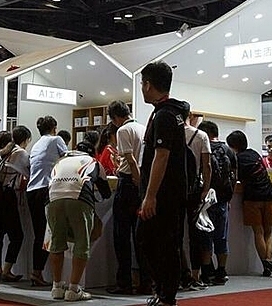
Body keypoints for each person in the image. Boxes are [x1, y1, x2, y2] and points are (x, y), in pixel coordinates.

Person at [136, 61, 189, 306]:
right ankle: (165, 293)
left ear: (148, 85)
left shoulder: (165, 115)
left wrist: (150, 195)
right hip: (170, 192)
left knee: (154, 242)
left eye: (142, 84)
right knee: (161, 242)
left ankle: (166, 295)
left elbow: (162, 156)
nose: (142, 88)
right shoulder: (171, 112)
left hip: (164, 194)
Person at [48, 138, 112, 301]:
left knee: (57, 243)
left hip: (54, 199)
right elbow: (106, 192)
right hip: (79, 199)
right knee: (82, 243)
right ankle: (74, 289)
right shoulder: (93, 162)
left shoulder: (60, 161)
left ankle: (57, 286)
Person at [106, 100, 151, 296]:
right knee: (140, 236)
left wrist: (137, 180)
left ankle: (124, 282)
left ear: (115, 117)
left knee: (121, 236)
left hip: (128, 183)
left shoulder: (123, 130)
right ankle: (146, 281)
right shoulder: (142, 128)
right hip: (140, 184)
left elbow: (131, 160)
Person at [226, 130, 272, 278]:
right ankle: (269, 261)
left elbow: (235, 180)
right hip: (269, 194)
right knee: (269, 231)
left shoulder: (236, 159)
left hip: (252, 197)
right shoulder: (255, 154)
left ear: (233, 146)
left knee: (258, 231)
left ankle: (265, 264)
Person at [0, 125, 32, 283]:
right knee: (17, 236)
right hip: (7, 196)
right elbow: (29, 173)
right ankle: (7, 270)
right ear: (25, 139)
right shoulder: (20, 153)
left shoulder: (2, 152)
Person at [27, 115, 68, 286]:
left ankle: (36, 271)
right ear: (54, 128)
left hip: (31, 190)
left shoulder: (36, 145)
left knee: (39, 234)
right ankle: (40, 273)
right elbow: (66, 160)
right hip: (46, 189)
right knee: (48, 233)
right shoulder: (56, 139)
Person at [197, 120, 235, 285]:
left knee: (205, 236)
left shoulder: (203, 148)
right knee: (221, 237)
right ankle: (221, 271)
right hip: (223, 200)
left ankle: (206, 272)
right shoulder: (228, 150)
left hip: (205, 200)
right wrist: (229, 197)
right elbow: (234, 176)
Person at [182, 110, 212, 289]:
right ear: (191, 117)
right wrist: (206, 188)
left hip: (175, 190)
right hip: (194, 190)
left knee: (175, 234)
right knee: (195, 235)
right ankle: (195, 274)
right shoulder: (201, 136)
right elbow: (206, 165)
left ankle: (179, 274)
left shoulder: (171, 134)